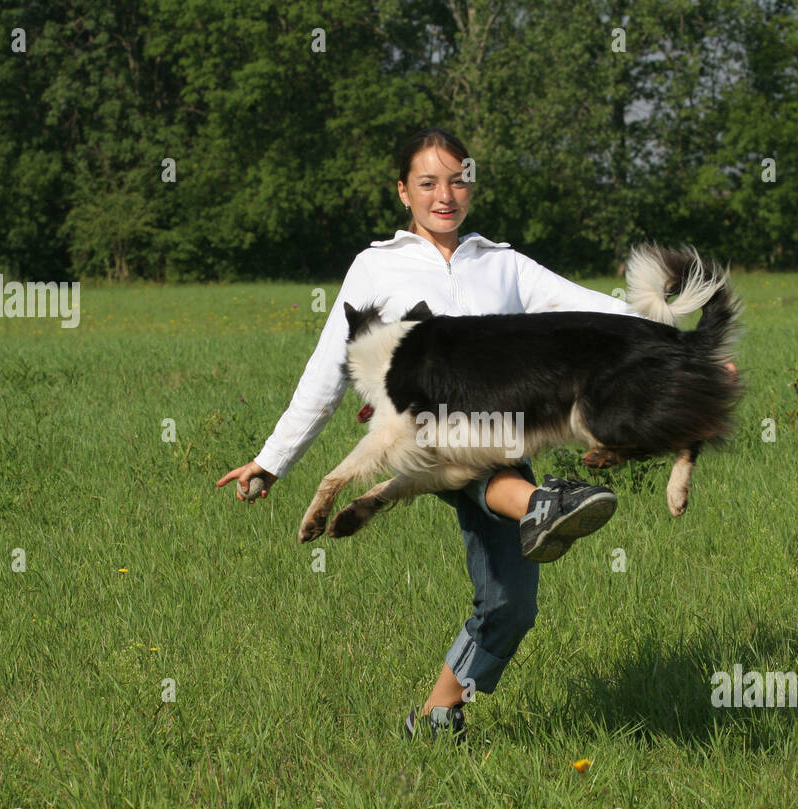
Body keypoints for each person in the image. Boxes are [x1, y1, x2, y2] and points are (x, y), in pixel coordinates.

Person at [218, 127, 643, 742]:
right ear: (403, 192)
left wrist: (682, 349)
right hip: (422, 429)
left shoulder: (504, 263)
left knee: (511, 605)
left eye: (458, 180)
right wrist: (272, 460)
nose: (445, 195)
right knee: (475, 464)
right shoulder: (376, 265)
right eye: (428, 183)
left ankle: (437, 716)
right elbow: (328, 368)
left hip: (504, 430)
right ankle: (546, 503)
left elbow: (590, 306)